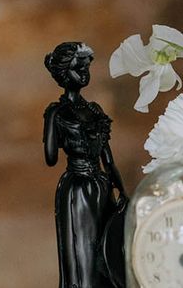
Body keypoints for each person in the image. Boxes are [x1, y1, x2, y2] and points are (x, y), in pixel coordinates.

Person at [44, 42, 126, 288]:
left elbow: (108, 158)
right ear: (62, 73)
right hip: (78, 191)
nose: (84, 73)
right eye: (78, 68)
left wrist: (121, 190)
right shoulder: (57, 113)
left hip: (100, 186)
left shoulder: (94, 110)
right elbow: (50, 157)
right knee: (83, 249)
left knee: (106, 246)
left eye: (85, 67)